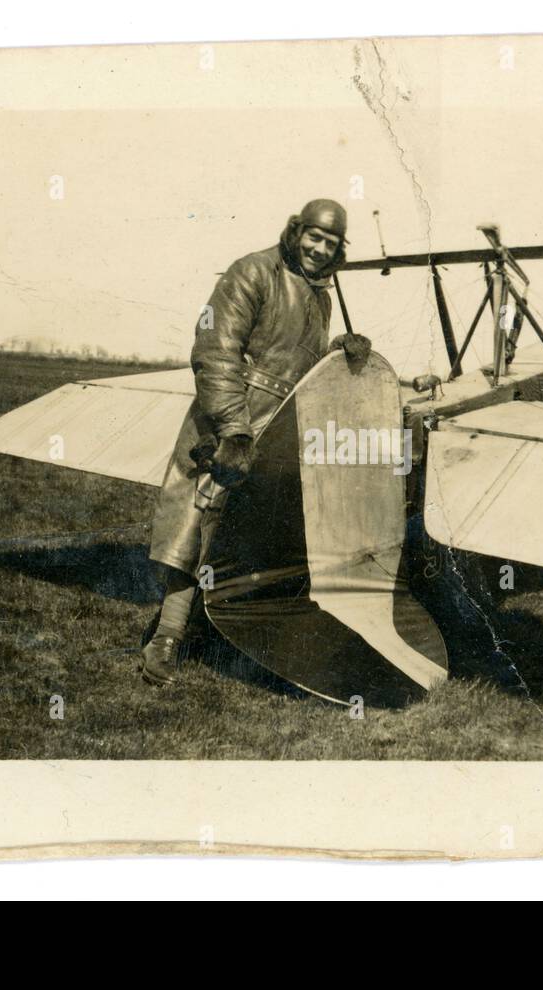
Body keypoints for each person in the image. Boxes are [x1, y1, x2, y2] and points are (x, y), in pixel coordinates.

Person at [140, 198, 370, 686]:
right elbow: (215, 349)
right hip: (230, 420)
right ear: (296, 231)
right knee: (195, 525)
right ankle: (165, 639)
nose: (319, 248)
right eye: (313, 236)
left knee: (249, 529)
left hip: (280, 425)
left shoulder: (319, 294)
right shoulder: (252, 271)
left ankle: (223, 627)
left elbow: (296, 366)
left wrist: (340, 357)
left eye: (330, 243)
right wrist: (234, 431)